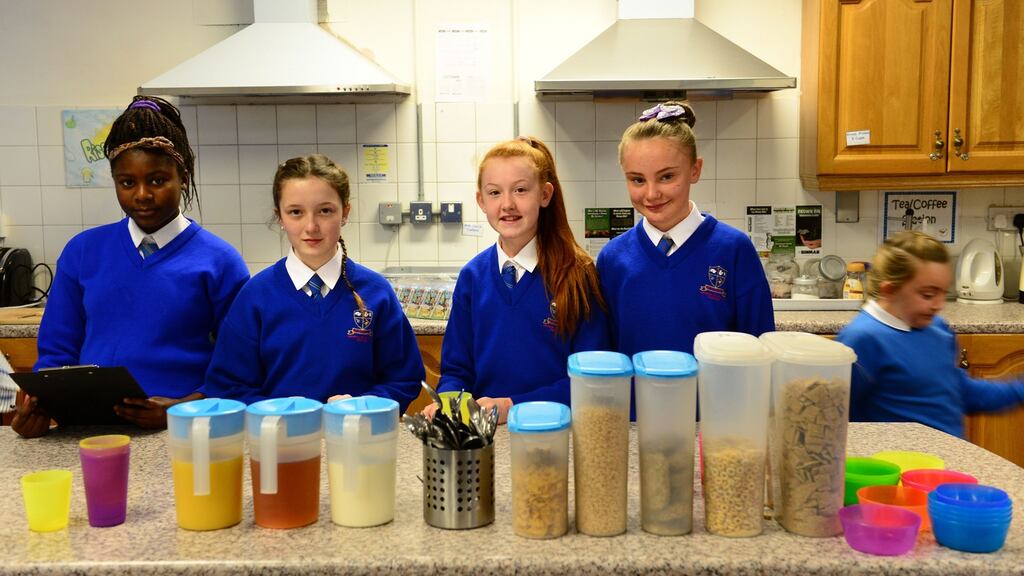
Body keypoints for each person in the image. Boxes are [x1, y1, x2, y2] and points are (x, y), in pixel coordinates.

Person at [13, 96, 250, 437]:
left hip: (183, 434)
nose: (142, 194)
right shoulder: (82, 252)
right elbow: (56, 354)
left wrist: (181, 410)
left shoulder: (220, 261)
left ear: (183, 177)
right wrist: (39, 409)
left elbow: (239, 365)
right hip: (88, 433)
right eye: (127, 183)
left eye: (157, 180)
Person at [200, 154, 423, 410]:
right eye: (296, 212)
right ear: (280, 217)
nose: (311, 226)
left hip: (359, 433)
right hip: (277, 434)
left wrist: (364, 406)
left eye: (325, 211)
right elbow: (227, 387)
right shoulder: (255, 296)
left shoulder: (376, 292)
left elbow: (404, 379)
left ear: (345, 212)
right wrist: (280, 411)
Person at [433, 137, 610, 423]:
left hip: (557, 429)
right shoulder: (472, 277)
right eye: (494, 192)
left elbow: (591, 379)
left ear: (545, 194)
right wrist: (449, 402)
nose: (507, 204)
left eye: (520, 190)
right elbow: (457, 370)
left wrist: (513, 406)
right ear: (481, 201)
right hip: (487, 433)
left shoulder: (579, 274)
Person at [597, 101, 774, 361]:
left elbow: (760, 350)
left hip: (717, 390)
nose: (651, 194)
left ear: (695, 170)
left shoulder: (734, 250)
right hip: (635, 390)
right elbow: (604, 358)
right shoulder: (612, 258)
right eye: (637, 180)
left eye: (667, 177)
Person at [836, 231, 1024, 437]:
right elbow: (837, 418)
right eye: (928, 295)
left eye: (943, 293)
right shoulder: (863, 339)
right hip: (900, 456)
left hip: (949, 453)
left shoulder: (938, 329)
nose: (939, 304)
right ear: (890, 290)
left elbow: (959, 392)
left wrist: (1019, 390)